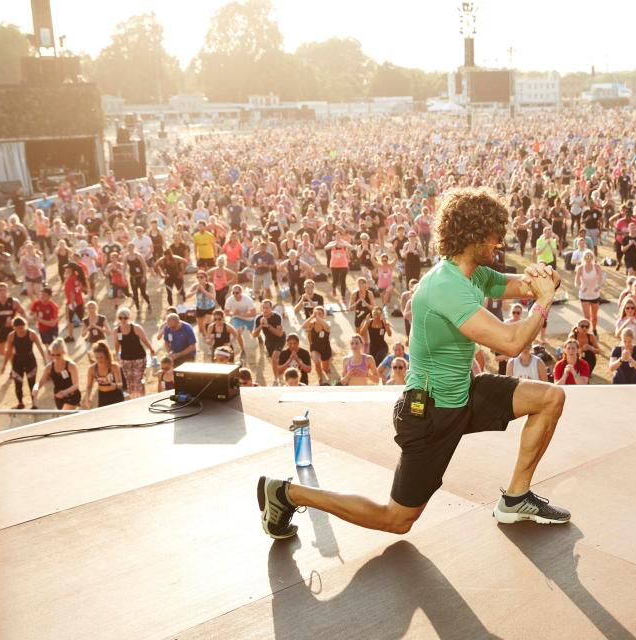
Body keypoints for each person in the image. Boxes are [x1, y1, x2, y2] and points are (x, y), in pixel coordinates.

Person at [257, 187, 570, 541]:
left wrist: (544, 279)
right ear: (474, 236)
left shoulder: (473, 273)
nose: (500, 242)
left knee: (550, 398)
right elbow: (511, 343)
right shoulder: (446, 286)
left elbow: (519, 287)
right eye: (495, 236)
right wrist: (543, 302)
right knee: (397, 520)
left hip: (462, 395)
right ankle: (286, 493)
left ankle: (515, 499)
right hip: (430, 414)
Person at [1, 317, 46, 409]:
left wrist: (45, 360)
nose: (20, 330)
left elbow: (40, 348)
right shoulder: (11, 336)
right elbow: (8, 351)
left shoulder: (32, 334)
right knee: (18, 383)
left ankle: (34, 403)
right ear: (14, 327)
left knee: (32, 383)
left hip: (30, 361)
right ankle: (20, 402)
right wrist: (4, 365)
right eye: (17, 328)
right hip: (17, 361)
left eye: (21, 328)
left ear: (25, 326)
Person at [112, 307, 153, 397]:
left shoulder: (136, 328)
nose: (123, 320)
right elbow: (116, 344)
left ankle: (141, 398)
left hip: (139, 357)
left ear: (129, 317)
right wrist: (116, 355)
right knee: (129, 381)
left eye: (125, 317)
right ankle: (133, 398)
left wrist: (151, 349)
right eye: (120, 318)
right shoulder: (117, 331)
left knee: (138, 380)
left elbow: (145, 340)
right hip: (125, 358)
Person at [32, 338, 81, 409]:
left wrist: (64, 392)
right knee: (64, 417)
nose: (55, 357)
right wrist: (35, 388)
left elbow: (76, 385)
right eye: (53, 355)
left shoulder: (71, 366)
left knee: (63, 415)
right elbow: (40, 382)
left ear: (63, 353)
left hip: (72, 396)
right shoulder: (49, 367)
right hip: (58, 396)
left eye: (58, 355)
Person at [84, 340, 125, 408]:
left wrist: (114, 385)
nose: (99, 360)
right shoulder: (92, 369)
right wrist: (87, 398)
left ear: (106, 355)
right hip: (102, 396)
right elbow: (89, 386)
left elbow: (120, 384)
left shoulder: (114, 366)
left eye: (101, 357)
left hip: (116, 395)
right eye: (97, 357)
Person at [0, 282, 25, 356]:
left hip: (13, 329)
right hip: (0, 329)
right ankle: (11, 360)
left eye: (4, 290)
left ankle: (14, 364)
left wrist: (15, 320)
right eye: (0, 290)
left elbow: (23, 313)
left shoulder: (14, 302)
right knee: (2, 352)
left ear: (8, 291)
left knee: (14, 351)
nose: (2, 292)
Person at [302, 305, 334, 384]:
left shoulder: (327, 323)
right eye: (316, 313)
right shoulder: (311, 324)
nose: (318, 315)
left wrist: (318, 318)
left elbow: (327, 326)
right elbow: (303, 326)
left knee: (325, 369)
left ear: (324, 315)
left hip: (325, 348)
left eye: (320, 313)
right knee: (316, 362)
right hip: (315, 347)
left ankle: (326, 370)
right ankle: (320, 377)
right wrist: (312, 316)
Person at [574, 250, 603, 334]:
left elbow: (601, 279)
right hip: (584, 295)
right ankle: (587, 332)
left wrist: (599, 286)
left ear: (593, 257)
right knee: (587, 317)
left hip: (595, 295)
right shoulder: (580, 268)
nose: (588, 258)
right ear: (584, 258)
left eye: (590, 256)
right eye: (587, 256)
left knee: (594, 317)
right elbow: (576, 282)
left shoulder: (597, 267)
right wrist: (580, 288)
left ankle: (594, 330)